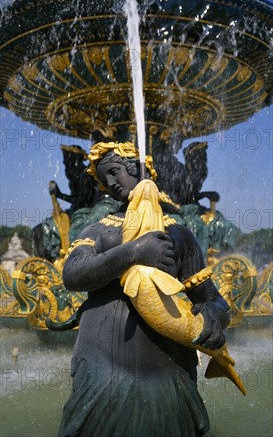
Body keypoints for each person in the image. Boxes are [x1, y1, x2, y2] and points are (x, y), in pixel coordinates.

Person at [59, 142, 231, 437]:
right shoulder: (99, 229)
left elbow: (213, 299)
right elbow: (73, 274)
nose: (110, 183)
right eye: (104, 179)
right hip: (103, 371)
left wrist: (214, 315)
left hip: (168, 374)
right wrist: (134, 251)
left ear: (135, 168)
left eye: (114, 172)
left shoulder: (179, 234)